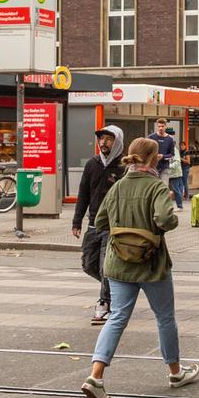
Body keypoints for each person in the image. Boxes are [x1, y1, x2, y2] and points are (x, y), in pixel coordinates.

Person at [81, 138, 199, 398]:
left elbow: (100, 221)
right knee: (165, 317)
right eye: (157, 156)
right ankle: (175, 372)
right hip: (151, 264)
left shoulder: (118, 186)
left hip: (119, 263)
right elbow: (166, 221)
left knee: (117, 317)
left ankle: (96, 376)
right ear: (153, 159)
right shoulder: (156, 187)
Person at [73, 126, 126, 324]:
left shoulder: (124, 166)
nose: (103, 143)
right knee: (88, 264)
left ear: (118, 141)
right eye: (101, 139)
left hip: (114, 225)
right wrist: (77, 221)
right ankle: (117, 287)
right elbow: (83, 193)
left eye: (108, 139)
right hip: (93, 223)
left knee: (105, 267)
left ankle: (104, 303)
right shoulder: (92, 164)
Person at [153, 119, 184, 209]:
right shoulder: (151, 137)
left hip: (165, 168)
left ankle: (164, 208)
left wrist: (162, 156)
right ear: (157, 127)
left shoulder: (170, 139)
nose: (161, 128)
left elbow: (172, 155)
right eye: (159, 126)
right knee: (153, 188)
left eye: (162, 126)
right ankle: (154, 207)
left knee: (164, 189)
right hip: (153, 168)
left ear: (165, 126)